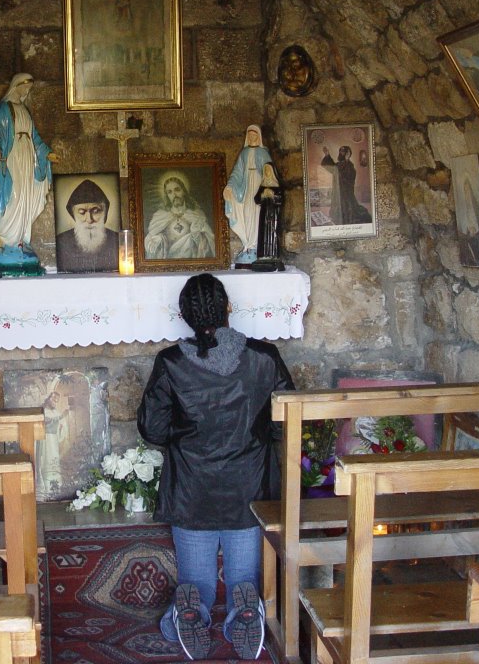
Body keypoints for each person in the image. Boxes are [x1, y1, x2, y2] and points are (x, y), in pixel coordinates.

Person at [138, 274, 293, 660]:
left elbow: (153, 429)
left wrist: (188, 431)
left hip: (192, 490)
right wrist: (255, 432)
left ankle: (187, 611)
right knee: (244, 578)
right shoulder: (264, 356)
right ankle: (244, 609)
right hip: (249, 488)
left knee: (196, 582)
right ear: (228, 308)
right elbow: (286, 419)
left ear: (183, 315)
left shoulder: (171, 362)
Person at [0, 73, 55, 268]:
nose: (27, 91)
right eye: (25, 87)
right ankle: (7, 241)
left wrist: (46, 153)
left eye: (29, 88)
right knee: (13, 196)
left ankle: (22, 240)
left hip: (27, 156)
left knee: (25, 194)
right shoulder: (3, 109)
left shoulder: (24, 110)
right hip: (12, 156)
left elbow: (35, 137)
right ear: (16, 86)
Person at [224, 125, 273, 266]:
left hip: (259, 187)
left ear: (259, 137)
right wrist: (230, 187)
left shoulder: (264, 153)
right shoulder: (244, 153)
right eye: (250, 136)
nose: (252, 138)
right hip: (246, 189)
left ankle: (255, 247)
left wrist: (266, 187)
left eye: (255, 135)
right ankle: (248, 245)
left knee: (257, 215)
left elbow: (270, 173)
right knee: (246, 214)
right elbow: (237, 173)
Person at [145, 172, 216, 260]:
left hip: (192, 265)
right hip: (168, 264)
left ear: (184, 191)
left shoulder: (197, 215)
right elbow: (149, 242)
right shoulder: (160, 216)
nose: (174, 195)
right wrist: (158, 240)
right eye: (170, 192)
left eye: (177, 190)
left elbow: (210, 244)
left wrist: (196, 236)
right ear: (167, 196)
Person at [55, 178, 119, 272]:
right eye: (81, 212)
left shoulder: (117, 240)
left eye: (96, 211)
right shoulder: (60, 241)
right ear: (73, 215)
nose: (89, 219)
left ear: (105, 213)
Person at [320, 145, 370, 225]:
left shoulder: (350, 165)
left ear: (347, 153)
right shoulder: (339, 165)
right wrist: (327, 155)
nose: (341, 153)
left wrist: (347, 161)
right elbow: (332, 167)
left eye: (343, 151)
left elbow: (350, 175)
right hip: (338, 190)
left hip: (346, 191)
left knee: (348, 208)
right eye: (340, 151)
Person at [252, 163, 284, 270]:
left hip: (274, 213)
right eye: (265, 170)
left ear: (272, 171)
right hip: (264, 213)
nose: (267, 172)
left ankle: (274, 255)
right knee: (263, 233)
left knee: (273, 233)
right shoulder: (263, 185)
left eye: (268, 170)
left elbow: (281, 200)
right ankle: (262, 256)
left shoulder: (277, 186)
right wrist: (263, 195)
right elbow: (256, 199)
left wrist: (273, 195)